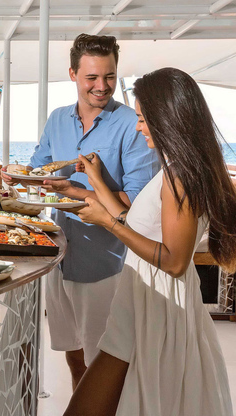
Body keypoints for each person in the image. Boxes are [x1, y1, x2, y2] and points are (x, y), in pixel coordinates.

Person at [64, 68, 236, 416]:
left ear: (167, 119)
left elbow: (173, 261)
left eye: (143, 119)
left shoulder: (179, 177)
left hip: (157, 308)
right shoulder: (178, 168)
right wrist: (90, 185)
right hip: (140, 303)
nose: (138, 127)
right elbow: (142, 226)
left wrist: (107, 222)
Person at [2, 34, 158, 389]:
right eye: (92, 78)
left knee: (104, 372)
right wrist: (14, 175)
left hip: (106, 265)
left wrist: (77, 191)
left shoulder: (131, 126)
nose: (102, 87)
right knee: (74, 360)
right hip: (59, 259)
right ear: (73, 74)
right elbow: (37, 172)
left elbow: (136, 201)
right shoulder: (57, 119)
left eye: (109, 76)